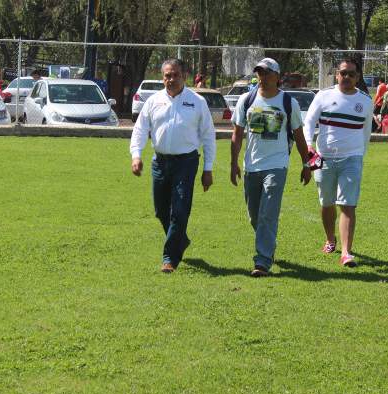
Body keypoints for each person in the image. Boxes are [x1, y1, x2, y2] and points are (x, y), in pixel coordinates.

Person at [129, 58, 216, 273]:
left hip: (186, 162)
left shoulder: (197, 101)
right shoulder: (153, 101)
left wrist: (208, 168)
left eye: (176, 75)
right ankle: (180, 240)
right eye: (167, 75)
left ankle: (169, 258)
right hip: (159, 162)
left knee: (179, 210)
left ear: (184, 76)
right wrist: (136, 155)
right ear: (162, 77)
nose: (171, 79)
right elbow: (140, 129)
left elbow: (208, 136)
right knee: (161, 211)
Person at [230, 57, 312, 277]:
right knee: (255, 216)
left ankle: (262, 261)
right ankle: (268, 244)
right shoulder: (246, 100)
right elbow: (237, 134)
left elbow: (299, 136)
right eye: (259, 73)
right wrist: (233, 163)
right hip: (252, 166)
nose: (262, 77)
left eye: (266, 73)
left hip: (277, 165)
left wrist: (307, 164)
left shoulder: (288, 103)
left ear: (277, 76)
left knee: (268, 214)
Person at [302, 59, 374, 267]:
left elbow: (366, 131)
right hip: (323, 158)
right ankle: (330, 239)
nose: (347, 77)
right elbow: (309, 122)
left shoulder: (365, 101)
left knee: (348, 204)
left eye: (351, 74)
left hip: (352, 158)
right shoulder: (323, 96)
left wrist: (360, 153)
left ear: (357, 77)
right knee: (326, 204)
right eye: (343, 73)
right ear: (336, 75)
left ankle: (346, 252)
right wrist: (308, 146)